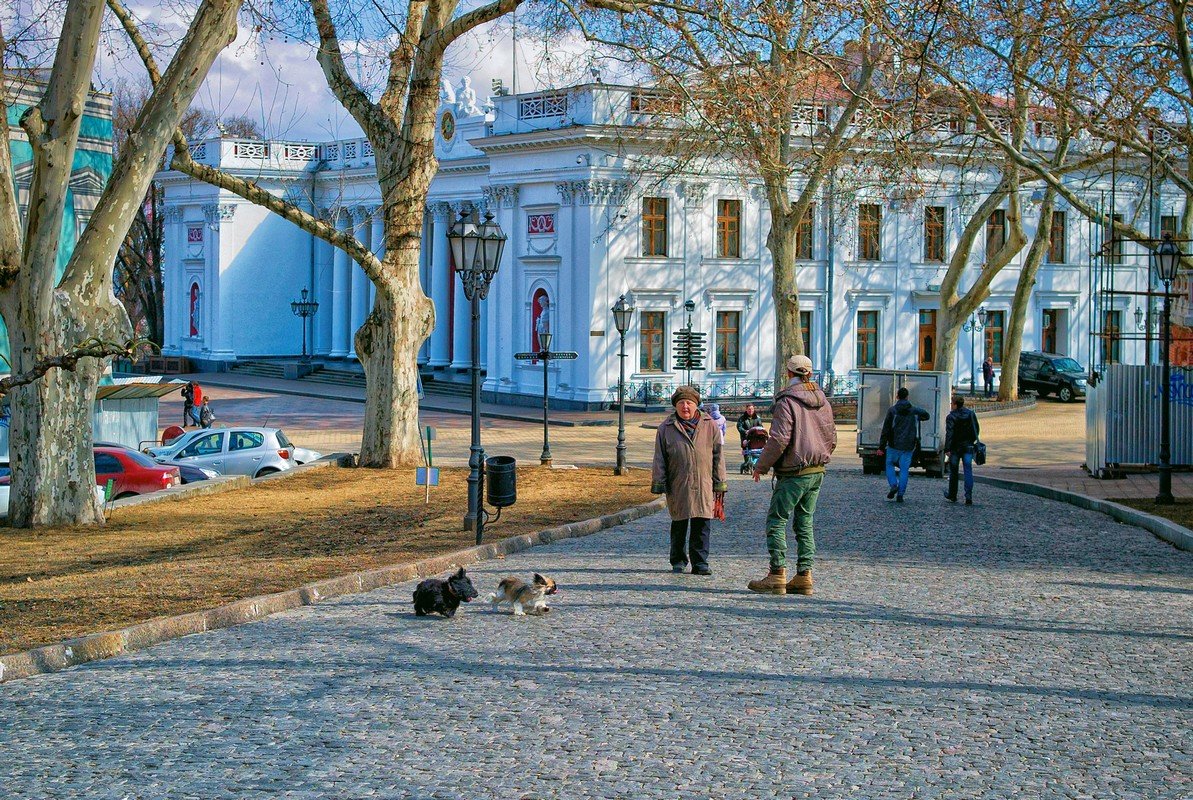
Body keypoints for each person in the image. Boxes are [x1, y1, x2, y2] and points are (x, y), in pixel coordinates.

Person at [749, 355, 837, 595]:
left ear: (788, 373)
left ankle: (777, 574)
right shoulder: (823, 400)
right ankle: (804, 575)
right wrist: (822, 454)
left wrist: (761, 465)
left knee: (777, 520)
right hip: (817, 470)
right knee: (805, 522)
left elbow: (779, 439)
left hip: (794, 471)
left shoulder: (787, 401)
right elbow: (832, 435)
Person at [651, 386, 728, 576]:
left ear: (696, 405)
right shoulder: (666, 428)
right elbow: (659, 457)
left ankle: (700, 563)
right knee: (679, 522)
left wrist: (720, 482)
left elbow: (718, 455)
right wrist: (659, 481)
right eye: (681, 403)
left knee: (702, 524)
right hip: (678, 482)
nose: (685, 407)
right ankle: (677, 560)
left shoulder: (709, 425)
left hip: (704, 483)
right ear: (675, 406)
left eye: (689, 403)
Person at [878, 386, 930, 503]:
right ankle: (901, 494)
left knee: (889, 464)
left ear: (897, 396)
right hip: (908, 446)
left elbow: (886, 429)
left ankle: (893, 485)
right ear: (907, 397)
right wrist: (918, 417)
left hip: (893, 444)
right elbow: (926, 415)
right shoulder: (914, 410)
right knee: (904, 470)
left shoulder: (892, 410)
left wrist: (881, 446)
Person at [944, 395, 981, 505]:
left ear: (955, 404)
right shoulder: (970, 414)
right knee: (968, 470)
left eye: (952, 403)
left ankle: (952, 494)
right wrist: (971, 441)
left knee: (954, 471)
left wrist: (948, 448)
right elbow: (976, 429)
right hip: (968, 446)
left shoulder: (951, 417)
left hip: (955, 447)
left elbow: (949, 433)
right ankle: (968, 495)